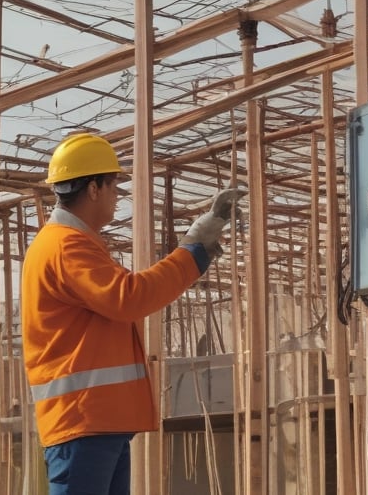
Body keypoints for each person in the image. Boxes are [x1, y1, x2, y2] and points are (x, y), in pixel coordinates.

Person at [21, 133, 246, 495]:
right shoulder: (66, 246)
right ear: (93, 189)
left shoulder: (70, 243)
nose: (116, 196)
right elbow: (130, 298)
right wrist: (192, 250)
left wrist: (198, 252)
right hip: (82, 422)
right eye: (113, 186)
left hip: (95, 423)